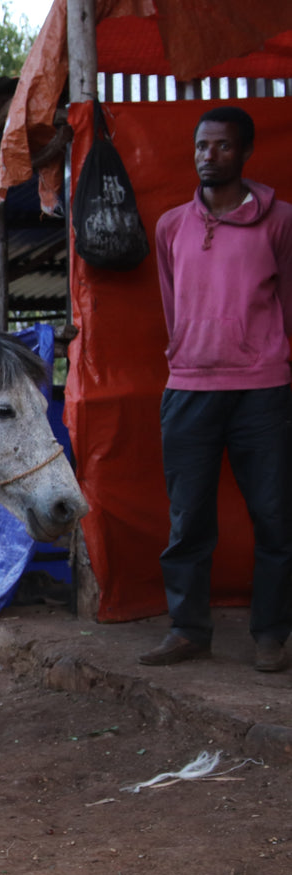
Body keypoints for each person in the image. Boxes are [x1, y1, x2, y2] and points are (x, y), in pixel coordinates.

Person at [139, 106, 292, 673]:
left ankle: (272, 634)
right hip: (189, 388)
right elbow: (172, 302)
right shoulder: (171, 226)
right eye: (202, 146)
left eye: (223, 147)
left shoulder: (280, 222)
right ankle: (188, 630)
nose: (209, 156)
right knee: (188, 519)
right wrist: (186, 352)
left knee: (276, 518)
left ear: (245, 152)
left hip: (263, 388)